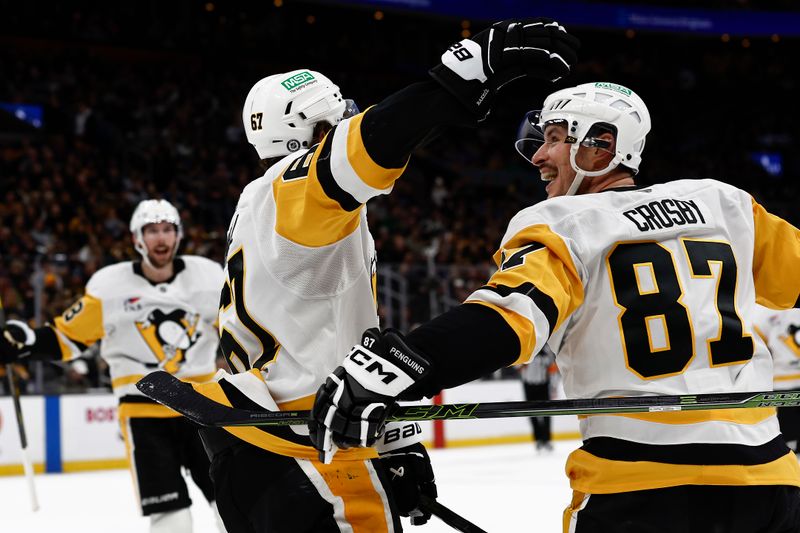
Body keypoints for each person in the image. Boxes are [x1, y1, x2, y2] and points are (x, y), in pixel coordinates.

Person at [310, 81, 800, 532]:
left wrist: (400, 363)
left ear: (602, 144)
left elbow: (507, 321)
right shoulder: (724, 205)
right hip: (772, 487)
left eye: (555, 138)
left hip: (644, 489)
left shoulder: (565, 223)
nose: (539, 155)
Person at [160, 18, 579, 533]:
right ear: (312, 132)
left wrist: (395, 445)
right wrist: (460, 75)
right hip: (308, 452)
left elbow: (333, 336)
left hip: (281, 441)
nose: (353, 121)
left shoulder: (275, 207)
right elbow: (377, 141)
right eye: (340, 119)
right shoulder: (295, 192)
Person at [0, 199, 226, 533]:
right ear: (137, 238)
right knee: (171, 515)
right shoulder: (110, 287)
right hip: (144, 416)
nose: (160, 238)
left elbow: (239, 327)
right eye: (152, 231)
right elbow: (67, 338)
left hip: (202, 410)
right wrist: (26, 346)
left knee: (230, 502)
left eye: (167, 229)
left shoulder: (209, 277)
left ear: (178, 235)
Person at [753, 304, 800, 452]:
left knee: (786, 442)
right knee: (786, 440)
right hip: (781, 388)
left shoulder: (771, 312)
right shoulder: (772, 313)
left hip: (782, 386)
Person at [520, 344, 555, 453]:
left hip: (543, 384)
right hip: (529, 384)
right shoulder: (526, 347)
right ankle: (538, 439)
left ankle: (547, 439)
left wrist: (553, 387)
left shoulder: (546, 350)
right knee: (531, 413)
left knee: (547, 413)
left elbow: (552, 368)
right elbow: (519, 366)